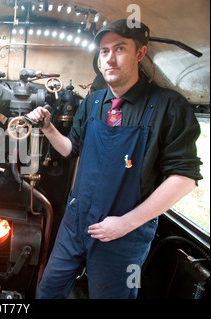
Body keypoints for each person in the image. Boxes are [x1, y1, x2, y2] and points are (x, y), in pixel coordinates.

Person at [29, 19, 202, 298]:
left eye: (119, 48)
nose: (109, 58)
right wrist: (48, 128)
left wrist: (125, 224)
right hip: (75, 223)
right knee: (48, 291)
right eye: (104, 51)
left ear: (140, 54)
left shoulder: (167, 106)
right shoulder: (93, 102)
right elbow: (70, 149)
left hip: (124, 235)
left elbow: (184, 179)